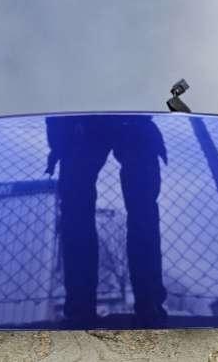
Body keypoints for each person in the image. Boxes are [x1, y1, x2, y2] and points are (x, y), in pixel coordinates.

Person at [45, 115, 168, 325]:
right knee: (142, 208)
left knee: (77, 209)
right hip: (123, 118)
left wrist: (60, 140)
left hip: (86, 120)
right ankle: (149, 305)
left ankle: (80, 309)